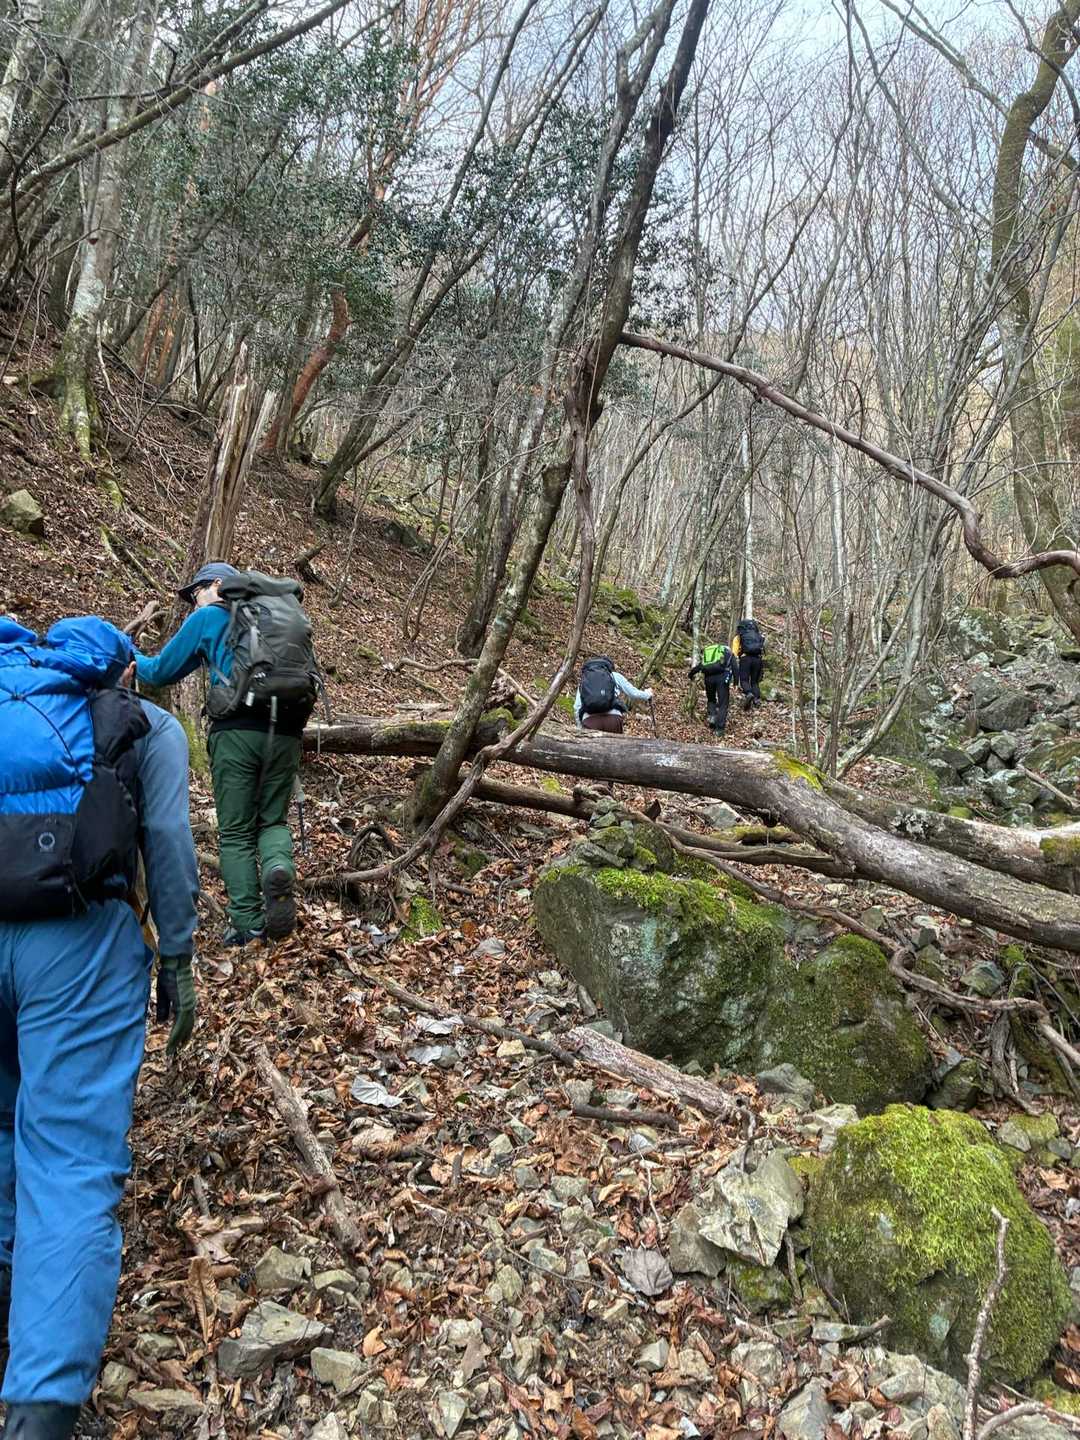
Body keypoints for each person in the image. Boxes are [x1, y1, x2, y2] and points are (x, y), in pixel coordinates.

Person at [0, 616, 199, 1440]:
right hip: (81, 945)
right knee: (70, 1160)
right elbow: (169, 840)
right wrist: (178, 956)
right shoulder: (145, 726)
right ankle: (41, 1405)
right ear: (125, 671)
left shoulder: (12, 699)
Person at [136, 563, 309, 947]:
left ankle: (246, 923)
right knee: (272, 819)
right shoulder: (275, 615)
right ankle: (278, 867)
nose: (193, 602)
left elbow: (158, 672)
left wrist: (126, 650)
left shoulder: (208, 618)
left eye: (195, 593)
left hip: (236, 734)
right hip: (286, 731)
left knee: (236, 831)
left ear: (216, 584)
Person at [574, 656, 653, 733]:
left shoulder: (584, 681)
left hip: (590, 721)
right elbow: (633, 693)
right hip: (613, 719)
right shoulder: (614, 676)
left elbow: (577, 706)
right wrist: (647, 694)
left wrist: (580, 727)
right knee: (616, 742)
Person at [688, 641, 737, 734]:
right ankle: (719, 729)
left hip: (708, 678)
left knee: (711, 699)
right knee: (723, 703)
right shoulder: (728, 653)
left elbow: (701, 665)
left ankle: (712, 717)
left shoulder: (710, 654)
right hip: (722, 678)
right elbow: (735, 667)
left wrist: (691, 674)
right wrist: (736, 683)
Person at [732, 617, 766, 709]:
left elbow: (734, 653)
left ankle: (749, 693)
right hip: (757, 659)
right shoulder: (758, 636)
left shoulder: (739, 637)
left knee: (744, 680)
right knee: (755, 682)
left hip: (745, 658)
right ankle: (756, 700)